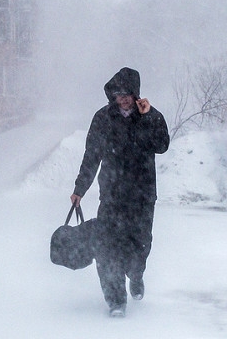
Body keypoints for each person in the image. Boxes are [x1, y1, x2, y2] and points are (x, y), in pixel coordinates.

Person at [70, 67, 170, 318]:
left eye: (127, 93)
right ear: (112, 95)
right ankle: (116, 299)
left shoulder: (150, 115)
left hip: (143, 194)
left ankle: (136, 275)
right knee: (107, 246)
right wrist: (80, 188)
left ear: (135, 93)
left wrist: (147, 116)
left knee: (140, 244)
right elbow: (92, 155)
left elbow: (162, 146)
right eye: (118, 94)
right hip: (112, 193)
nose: (123, 98)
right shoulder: (103, 118)